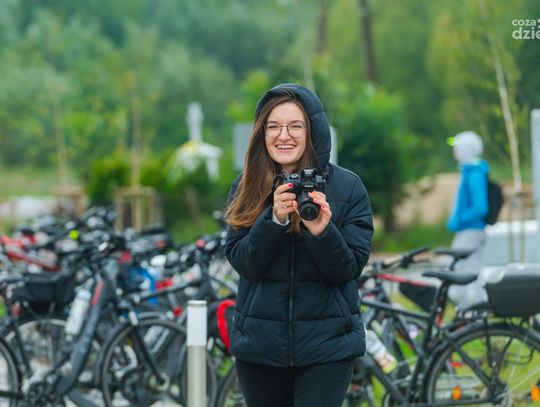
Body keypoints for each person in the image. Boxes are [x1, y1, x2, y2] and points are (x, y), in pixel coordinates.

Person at [224, 83, 373, 407]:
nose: (284, 136)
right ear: (261, 132)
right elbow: (244, 262)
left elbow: (347, 270)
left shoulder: (347, 187)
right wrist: (274, 221)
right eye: (273, 127)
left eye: (295, 126)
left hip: (327, 348)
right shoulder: (247, 186)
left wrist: (322, 231)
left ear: (312, 131)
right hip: (261, 349)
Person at [446, 130, 490, 307]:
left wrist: (461, 219)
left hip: (471, 230)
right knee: (468, 268)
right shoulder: (469, 171)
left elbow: (480, 207)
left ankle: (475, 306)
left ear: (465, 149)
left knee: (466, 269)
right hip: (468, 229)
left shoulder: (474, 174)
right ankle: (468, 308)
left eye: (457, 147)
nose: (454, 151)